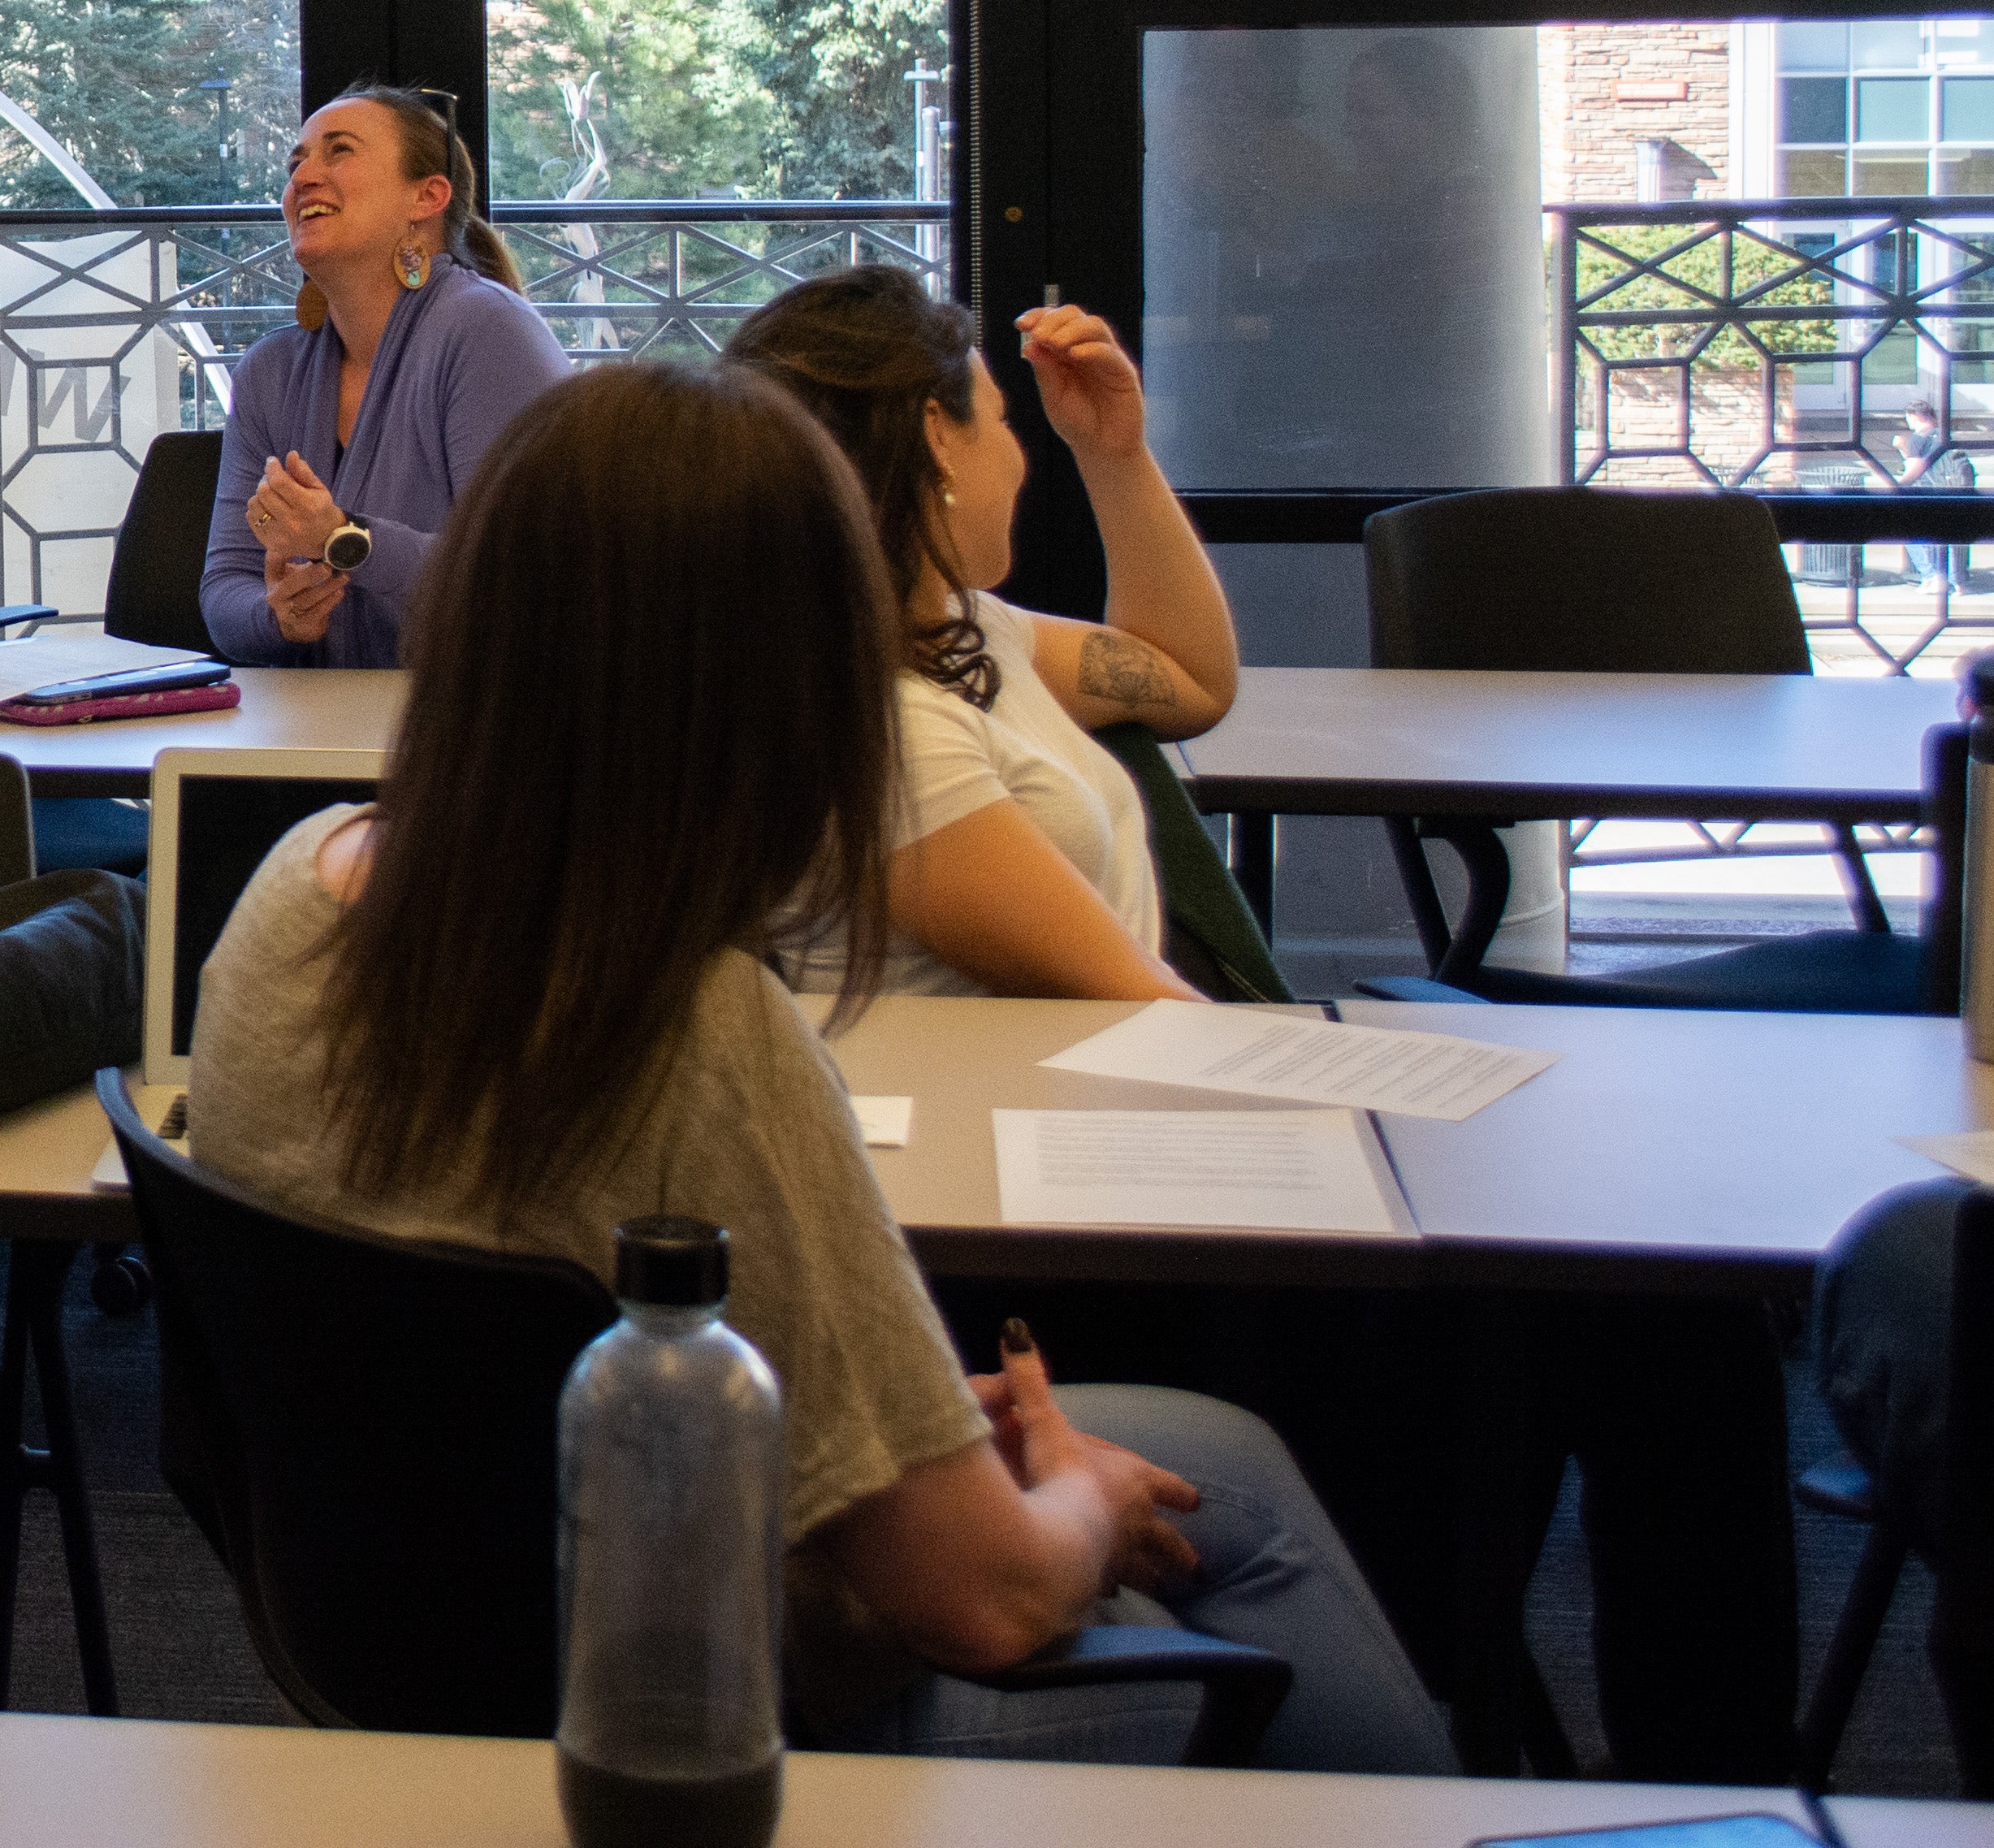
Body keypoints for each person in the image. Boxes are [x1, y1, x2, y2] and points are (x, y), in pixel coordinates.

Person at [187, 358, 1449, 1773]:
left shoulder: (296, 891)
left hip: (397, 1649)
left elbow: (479, 1312)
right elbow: (983, 1604)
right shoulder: (695, 1031)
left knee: (1210, 1448)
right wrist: (1082, 1504)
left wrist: (875, 1418)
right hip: (713, 1720)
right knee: (1243, 1511)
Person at [725, 266, 1233, 1002]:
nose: (1020, 457)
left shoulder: (963, 630)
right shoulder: (890, 736)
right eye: (1000, 420)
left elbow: (1189, 678)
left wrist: (1114, 453)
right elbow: (1131, 996)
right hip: (1004, 1109)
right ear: (937, 435)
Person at [201, 84, 569, 669]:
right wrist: (278, 614)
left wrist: (346, 539)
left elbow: (523, 580)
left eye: (339, 152)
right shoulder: (268, 372)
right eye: (295, 163)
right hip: (312, 736)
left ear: (426, 197)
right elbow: (225, 586)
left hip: (468, 730)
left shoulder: (488, 330)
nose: (303, 178)